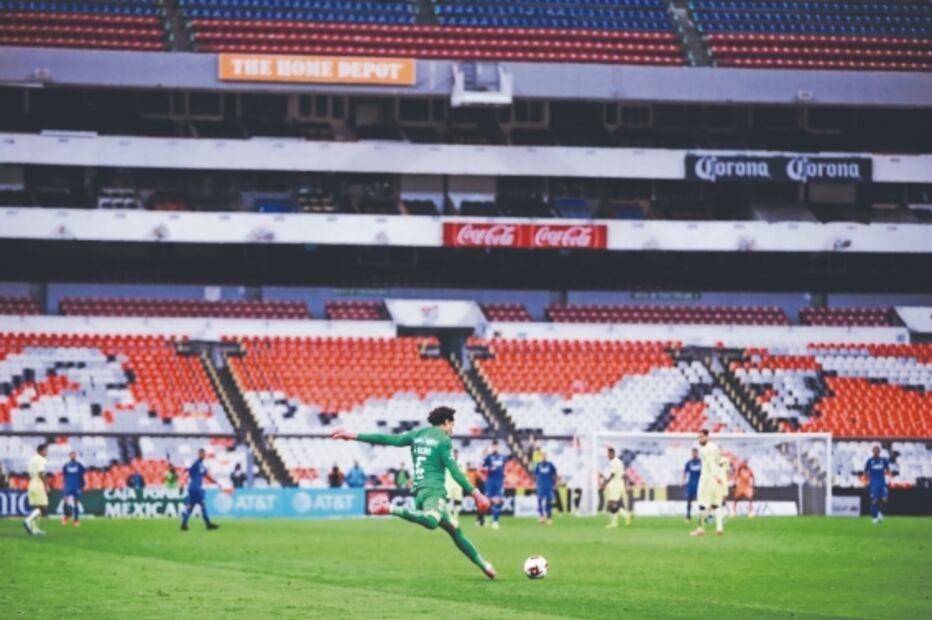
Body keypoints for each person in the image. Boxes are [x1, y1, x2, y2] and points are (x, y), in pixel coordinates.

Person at [330, 406, 496, 579]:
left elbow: (386, 438)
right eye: (452, 424)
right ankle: (392, 509)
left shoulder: (417, 434)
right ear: (446, 422)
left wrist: (352, 435)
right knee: (432, 521)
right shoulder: (444, 441)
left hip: (419, 494)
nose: (452, 429)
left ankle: (484, 565)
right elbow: (455, 472)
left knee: (454, 530)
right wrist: (476, 493)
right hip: (433, 493)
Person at [691, 430, 725, 537]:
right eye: (698, 438)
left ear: (707, 437)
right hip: (718, 479)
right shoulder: (716, 447)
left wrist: (715, 475)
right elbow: (720, 461)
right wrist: (720, 476)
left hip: (707, 479)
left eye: (701, 437)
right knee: (716, 504)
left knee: (702, 504)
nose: (699, 440)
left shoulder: (705, 450)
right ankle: (719, 527)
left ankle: (700, 529)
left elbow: (711, 463)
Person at [180, 448, 220, 531]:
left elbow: (207, 475)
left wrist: (215, 482)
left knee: (191, 506)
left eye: (204, 454)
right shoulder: (195, 464)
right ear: (199, 454)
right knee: (202, 505)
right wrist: (182, 484)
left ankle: (184, 524)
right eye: (202, 454)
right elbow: (187, 473)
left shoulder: (201, 465)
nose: (203, 455)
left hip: (194, 488)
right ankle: (208, 524)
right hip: (196, 488)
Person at [23, 443, 49, 536]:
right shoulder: (41, 459)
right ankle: (28, 520)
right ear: (41, 451)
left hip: (31, 483)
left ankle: (34, 529)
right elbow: (41, 473)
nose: (47, 453)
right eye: (45, 450)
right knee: (43, 507)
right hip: (38, 484)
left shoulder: (32, 459)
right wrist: (46, 484)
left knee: (36, 508)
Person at [603, 447, 632, 528]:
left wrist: (605, 483)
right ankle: (614, 523)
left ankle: (626, 516)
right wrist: (625, 485)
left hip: (615, 484)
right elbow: (624, 475)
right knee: (611, 504)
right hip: (619, 484)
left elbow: (612, 474)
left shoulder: (614, 462)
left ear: (612, 453)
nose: (608, 456)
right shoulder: (619, 462)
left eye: (609, 454)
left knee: (611, 504)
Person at [482, 440, 507, 530]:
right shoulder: (489, 457)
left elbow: (503, 468)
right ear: (492, 446)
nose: (495, 447)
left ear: (498, 447)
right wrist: (490, 468)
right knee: (488, 502)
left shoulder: (502, 457)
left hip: (499, 482)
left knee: (498, 501)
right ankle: (487, 518)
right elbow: (483, 467)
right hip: (490, 482)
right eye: (494, 446)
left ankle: (495, 521)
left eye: (497, 446)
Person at [864, 445, 891, 524]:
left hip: (882, 483)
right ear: (872, 451)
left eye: (877, 450)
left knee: (884, 500)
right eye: (874, 450)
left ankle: (879, 513)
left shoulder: (884, 460)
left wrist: (889, 480)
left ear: (879, 452)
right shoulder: (869, 461)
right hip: (874, 484)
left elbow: (888, 471)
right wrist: (865, 482)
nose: (876, 452)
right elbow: (865, 472)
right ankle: (874, 518)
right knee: (874, 501)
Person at [61, 451, 86, 527]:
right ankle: (66, 516)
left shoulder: (79, 465)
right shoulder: (66, 466)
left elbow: (82, 476)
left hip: (76, 486)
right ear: (69, 456)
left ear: (76, 456)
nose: (73, 456)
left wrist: (83, 486)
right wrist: (64, 485)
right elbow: (64, 476)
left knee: (76, 503)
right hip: (68, 486)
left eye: (74, 455)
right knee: (65, 501)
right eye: (71, 455)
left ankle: (76, 519)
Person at [444, 448, 468, 524]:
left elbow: (464, 474)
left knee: (458, 501)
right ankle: (449, 516)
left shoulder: (461, 463)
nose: (455, 454)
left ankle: (455, 517)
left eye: (456, 452)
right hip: (448, 484)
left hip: (458, 485)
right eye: (454, 452)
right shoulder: (447, 461)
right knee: (447, 500)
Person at [533, 452, 557, 525]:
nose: (543, 457)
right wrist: (537, 483)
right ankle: (541, 517)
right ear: (540, 457)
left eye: (545, 456)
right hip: (541, 486)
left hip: (548, 486)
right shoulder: (538, 465)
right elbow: (535, 474)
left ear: (546, 457)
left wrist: (554, 483)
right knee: (539, 501)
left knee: (548, 502)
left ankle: (549, 518)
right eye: (542, 456)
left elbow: (554, 474)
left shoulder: (550, 465)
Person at [681, 448, 702, 522]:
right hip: (691, 484)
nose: (694, 454)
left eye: (695, 453)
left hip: (700, 484)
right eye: (693, 453)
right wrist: (682, 481)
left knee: (701, 501)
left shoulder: (701, 462)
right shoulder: (689, 463)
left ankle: (702, 516)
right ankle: (688, 516)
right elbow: (685, 473)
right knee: (689, 500)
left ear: (697, 453)